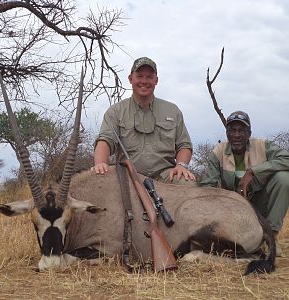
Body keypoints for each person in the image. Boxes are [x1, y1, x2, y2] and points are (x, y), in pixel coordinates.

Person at [91, 56, 196, 185]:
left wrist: (181, 166)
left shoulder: (173, 110)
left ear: (156, 80)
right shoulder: (115, 111)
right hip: (127, 176)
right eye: (140, 76)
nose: (144, 81)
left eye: (149, 77)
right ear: (130, 79)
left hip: (165, 175)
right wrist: (101, 164)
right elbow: (105, 140)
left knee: (187, 182)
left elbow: (184, 145)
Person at [199, 110, 289, 254]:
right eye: (232, 130)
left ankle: (270, 238)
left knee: (284, 178)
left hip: (260, 205)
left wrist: (254, 171)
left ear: (249, 133)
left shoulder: (263, 145)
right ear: (227, 132)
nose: (236, 135)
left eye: (241, 130)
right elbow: (207, 186)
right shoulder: (218, 152)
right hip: (232, 209)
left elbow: (287, 159)